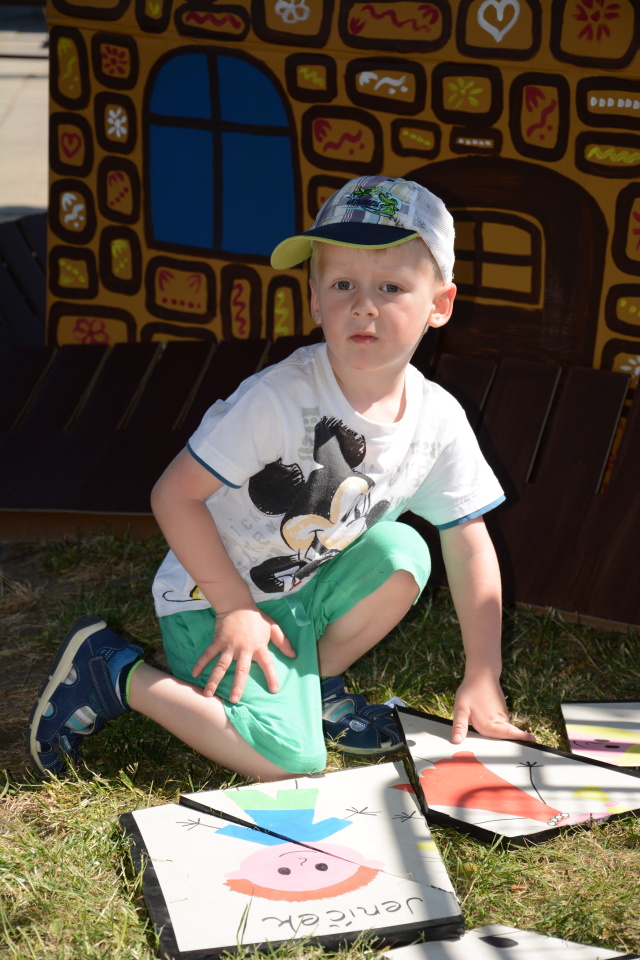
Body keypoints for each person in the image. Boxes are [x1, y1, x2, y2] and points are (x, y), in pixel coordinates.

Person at [28, 175, 534, 784]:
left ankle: (312, 684)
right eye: (342, 285)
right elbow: (173, 495)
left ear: (439, 305)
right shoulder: (278, 399)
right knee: (290, 762)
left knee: (405, 553)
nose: (364, 305)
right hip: (210, 600)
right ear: (316, 300)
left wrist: (483, 673)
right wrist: (235, 608)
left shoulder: (438, 419)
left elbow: (469, 540)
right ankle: (113, 672)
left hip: (303, 589)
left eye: (391, 287)